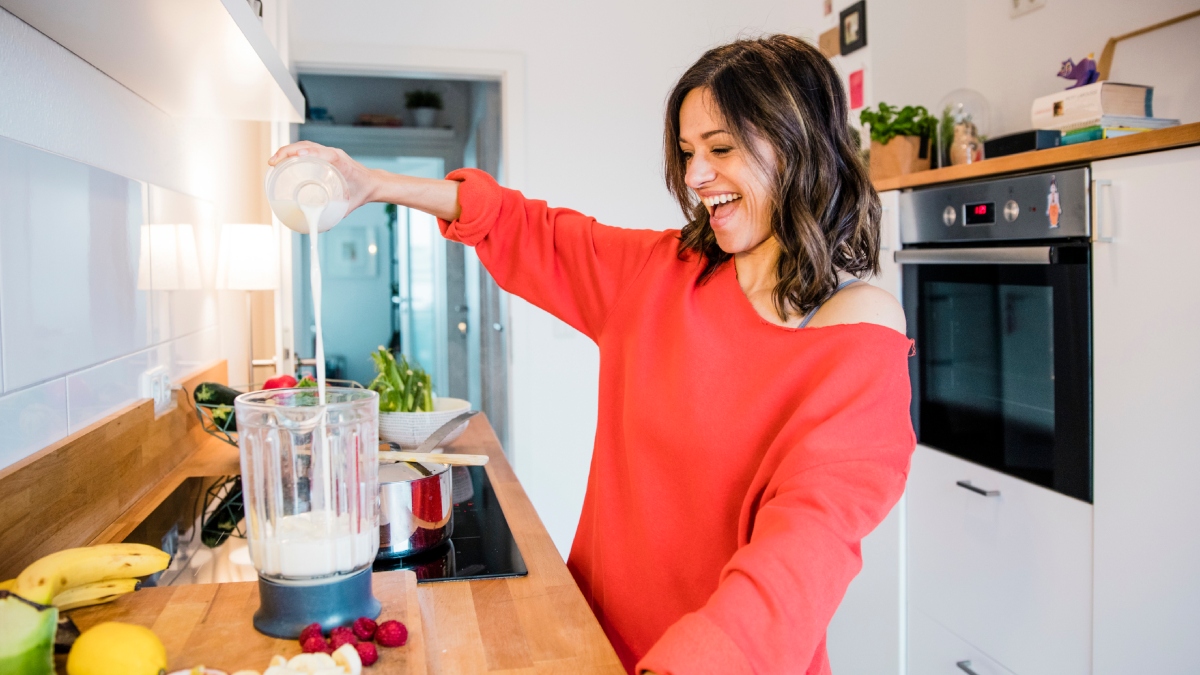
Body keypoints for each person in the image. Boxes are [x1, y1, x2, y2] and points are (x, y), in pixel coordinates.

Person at [271, 34, 915, 675]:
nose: (694, 177)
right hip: (591, 642)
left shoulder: (855, 328)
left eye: (721, 149)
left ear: (800, 147)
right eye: (689, 153)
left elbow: (807, 545)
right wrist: (372, 183)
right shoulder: (664, 274)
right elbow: (525, 227)